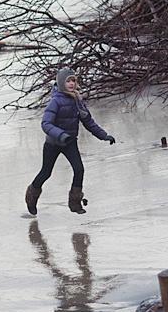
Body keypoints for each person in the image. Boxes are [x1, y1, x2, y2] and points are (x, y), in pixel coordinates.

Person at [25, 68, 116, 215]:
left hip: (70, 143)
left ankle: (75, 203)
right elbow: (46, 124)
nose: (72, 83)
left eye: (73, 80)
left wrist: (104, 135)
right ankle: (31, 197)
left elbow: (88, 122)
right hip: (53, 143)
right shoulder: (55, 101)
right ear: (62, 83)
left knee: (79, 169)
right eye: (68, 81)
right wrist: (61, 135)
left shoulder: (77, 100)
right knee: (46, 172)